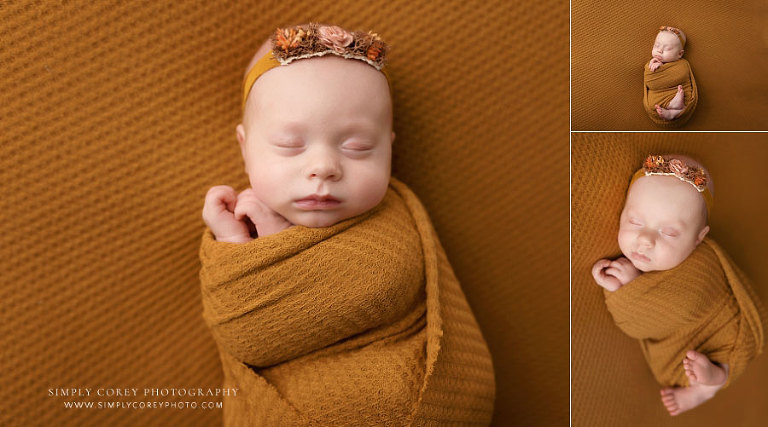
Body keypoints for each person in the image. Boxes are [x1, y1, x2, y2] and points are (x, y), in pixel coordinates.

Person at [198, 23, 495, 425]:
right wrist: (234, 241)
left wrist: (278, 239)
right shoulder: (235, 227)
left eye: (357, 148)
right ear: (245, 148)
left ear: (389, 147)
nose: (323, 168)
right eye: (290, 145)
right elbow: (247, 334)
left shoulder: (393, 217)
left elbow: (381, 288)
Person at [592, 154, 764, 416]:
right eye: (634, 221)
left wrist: (627, 287)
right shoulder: (663, 254)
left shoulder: (702, 267)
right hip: (694, 342)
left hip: (728, 329)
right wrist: (629, 285)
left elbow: (647, 323)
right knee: (696, 364)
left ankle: (711, 383)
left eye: (669, 233)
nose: (646, 240)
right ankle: (709, 379)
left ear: (698, 239)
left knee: (726, 356)